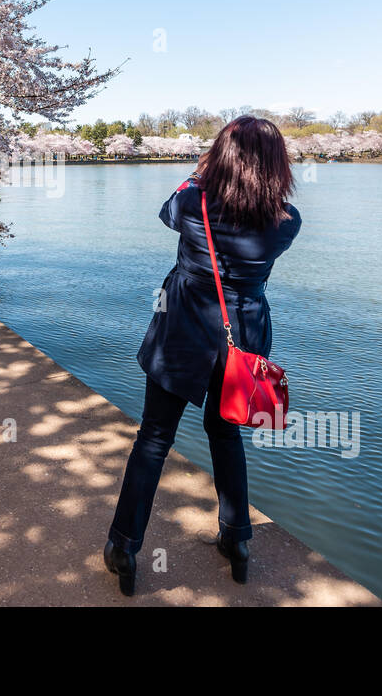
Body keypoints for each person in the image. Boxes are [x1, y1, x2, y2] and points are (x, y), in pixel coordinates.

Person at [104, 116, 302, 596]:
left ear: (222, 155)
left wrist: (197, 173)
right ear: (277, 164)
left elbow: (166, 212)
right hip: (244, 337)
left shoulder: (195, 200)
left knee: (153, 437)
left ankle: (125, 547)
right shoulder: (287, 220)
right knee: (225, 432)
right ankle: (236, 540)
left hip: (184, 331)